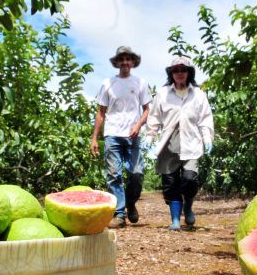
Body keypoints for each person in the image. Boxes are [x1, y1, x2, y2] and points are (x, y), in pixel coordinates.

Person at [146, 57, 214, 230]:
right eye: (175, 70)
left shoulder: (198, 95)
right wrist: (150, 137)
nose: (179, 73)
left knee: (190, 179)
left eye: (183, 69)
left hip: (191, 141)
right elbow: (154, 117)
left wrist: (207, 139)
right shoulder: (163, 94)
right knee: (170, 183)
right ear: (171, 73)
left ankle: (188, 205)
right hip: (169, 142)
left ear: (189, 72)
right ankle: (175, 220)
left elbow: (205, 119)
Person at [90, 46, 152, 229]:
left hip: (132, 136)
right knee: (113, 175)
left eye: (128, 59)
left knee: (136, 174)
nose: (125, 62)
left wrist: (138, 125)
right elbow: (101, 111)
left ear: (133, 62)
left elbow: (147, 109)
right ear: (116, 62)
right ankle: (119, 214)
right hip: (112, 135)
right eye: (121, 59)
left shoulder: (140, 82)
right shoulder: (107, 83)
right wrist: (94, 138)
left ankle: (130, 202)